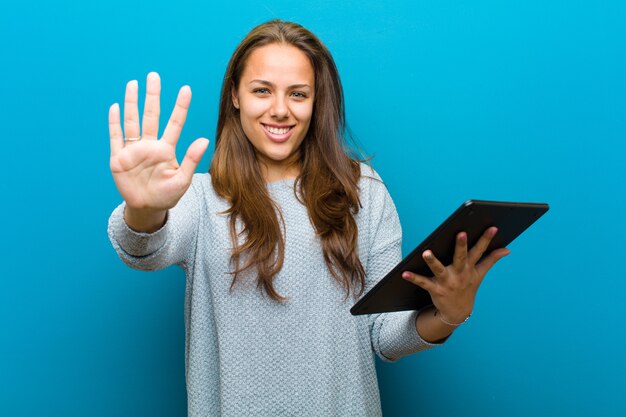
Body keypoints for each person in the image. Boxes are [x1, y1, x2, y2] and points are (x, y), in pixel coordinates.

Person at [107, 19, 509, 416]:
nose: (280, 110)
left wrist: (449, 314)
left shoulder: (363, 191)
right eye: (262, 91)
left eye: (298, 94)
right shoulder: (198, 196)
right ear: (235, 95)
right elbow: (144, 249)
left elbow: (386, 336)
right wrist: (145, 209)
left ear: (317, 101)